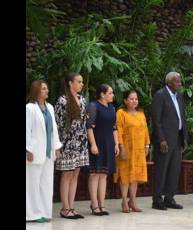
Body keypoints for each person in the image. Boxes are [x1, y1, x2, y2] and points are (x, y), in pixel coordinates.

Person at [26, 80, 63, 222]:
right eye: (44, 89)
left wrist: (57, 147)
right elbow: (26, 130)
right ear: (36, 91)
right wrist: (27, 149)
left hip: (48, 153)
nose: (47, 91)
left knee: (47, 185)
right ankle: (32, 214)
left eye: (47, 88)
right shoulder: (29, 108)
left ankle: (45, 212)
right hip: (34, 152)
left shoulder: (50, 107)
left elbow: (53, 129)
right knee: (32, 185)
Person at [151, 72, 188, 210]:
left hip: (177, 138)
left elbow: (182, 117)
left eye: (179, 81)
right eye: (177, 81)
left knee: (174, 170)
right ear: (169, 82)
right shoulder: (160, 95)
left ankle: (169, 198)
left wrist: (184, 138)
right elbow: (157, 120)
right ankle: (157, 200)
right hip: (165, 140)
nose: (179, 83)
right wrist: (161, 140)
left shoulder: (179, 96)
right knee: (162, 170)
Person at [55, 73, 89, 219]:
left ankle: (72, 206)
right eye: (79, 81)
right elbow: (58, 123)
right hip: (67, 142)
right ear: (70, 83)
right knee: (67, 174)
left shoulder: (82, 99)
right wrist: (59, 145)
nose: (82, 84)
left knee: (75, 174)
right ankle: (65, 208)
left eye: (82, 82)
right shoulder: (62, 100)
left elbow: (84, 121)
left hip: (81, 141)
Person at [114, 90, 150, 213]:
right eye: (131, 99)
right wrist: (121, 147)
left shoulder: (141, 114)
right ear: (125, 100)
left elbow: (145, 131)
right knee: (125, 176)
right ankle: (124, 200)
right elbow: (119, 130)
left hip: (139, 150)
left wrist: (147, 146)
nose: (134, 101)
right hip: (126, 149)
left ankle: (133, 201)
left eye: (136, 99)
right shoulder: (121, 113)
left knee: (135, 177)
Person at [86, 84, 120, 215]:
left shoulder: (112, 108)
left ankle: (102, 204)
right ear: (102, 94)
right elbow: (89, 127)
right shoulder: (94, 106)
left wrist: (116, 144)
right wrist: (93, 144)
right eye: (110, 93)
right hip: (97, 142)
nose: (113, 95)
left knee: (104, 175)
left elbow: (114, 128)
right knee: (95, 174)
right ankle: (94, 205)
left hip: (109, 144)